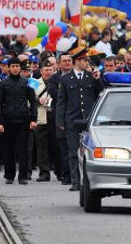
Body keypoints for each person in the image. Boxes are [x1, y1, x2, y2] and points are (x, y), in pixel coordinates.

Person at [56, 47, 104, 191]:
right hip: (72, 119)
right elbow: (61, 101)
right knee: (73, 152)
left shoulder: (90, 77)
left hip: (88, 121)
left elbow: (100, 94)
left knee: (88, 152)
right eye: (84, 60)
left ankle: (87, 181)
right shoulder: (65, 79)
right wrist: (60, 121)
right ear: (78, 61)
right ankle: (75, 182)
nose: (87, 63)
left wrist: (98, 79)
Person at [0, 57, 38, 185]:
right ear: (8, 67)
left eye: (17, 66)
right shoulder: (3, 83)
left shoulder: (27, 82)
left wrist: (33, 119)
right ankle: (9, 175)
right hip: (8, 121)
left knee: (23, 150)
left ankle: (23, 176)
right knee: (9, 149)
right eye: (12, 66)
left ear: (20, 68)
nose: (15, 68)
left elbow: (33, 102)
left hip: (24, 120)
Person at [48, 52, 73, 185]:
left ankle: (75, 174)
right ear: (59, 64)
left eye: (69, 60)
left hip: (74, 117)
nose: (67, 63)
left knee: (73, 149)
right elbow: (55, 94)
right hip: (60, 116)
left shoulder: (76, 76)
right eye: (65, 61)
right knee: (63, 149)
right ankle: (65, 174)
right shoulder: (54, 79)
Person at [31, 59, 55, 182]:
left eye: (50, 70)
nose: (48, 72)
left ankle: (60, 172)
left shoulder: (57, 81)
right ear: (41, 71)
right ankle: (44, 173)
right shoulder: (34, 83)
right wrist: (37, 100)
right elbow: (28, 100)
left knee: (56, 147)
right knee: (42, 148)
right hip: (41, 118)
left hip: (54, 118)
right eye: (46, 70)